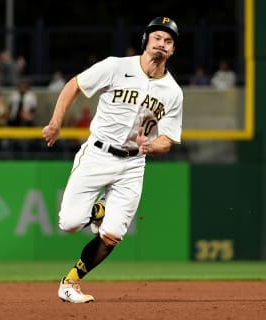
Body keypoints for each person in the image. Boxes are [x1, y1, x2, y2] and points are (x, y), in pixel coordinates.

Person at [42, 16, 183, 303]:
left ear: (173, 50)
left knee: (112, 235)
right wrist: (57, 123)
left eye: (168, 41)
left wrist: (151, 147)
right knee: (68, 223)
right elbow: (74, 85)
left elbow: (167, 140)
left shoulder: (173, 92)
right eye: (157, 37)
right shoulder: (117, 66)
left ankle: (70, 282)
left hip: (133, 164)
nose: (162, 44)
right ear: (146, 41)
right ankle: (99, 211)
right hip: (97, 154)